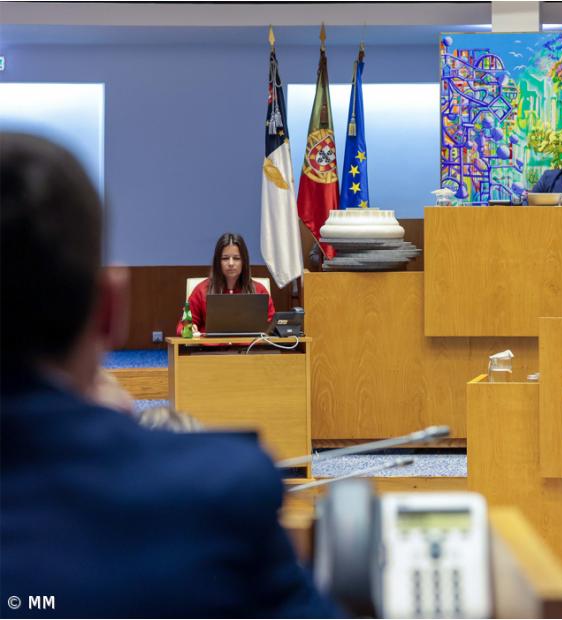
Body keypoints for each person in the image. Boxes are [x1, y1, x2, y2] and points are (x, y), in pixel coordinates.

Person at [0, 133, 338, 617]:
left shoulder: (258, 292)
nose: (231, 262)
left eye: (236, 256)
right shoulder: (220, 491)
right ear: (112, 309)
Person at [177, 232, 275, 335]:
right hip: (210, 350)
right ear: (217, 262)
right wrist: (188, 328)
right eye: (225, 258)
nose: (231, 263)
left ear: (244, 261)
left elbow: (272, 326)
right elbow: (182, 326)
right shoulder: (201, 290)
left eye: (236, 258)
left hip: (250, 349)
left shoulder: (260, 290)